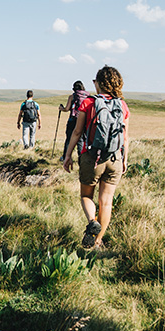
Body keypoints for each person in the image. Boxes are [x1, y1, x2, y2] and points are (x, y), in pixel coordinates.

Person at [63, 66, 130, 249]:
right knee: (106, 201)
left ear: (99, 83)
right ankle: (97, 241)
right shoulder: (122, 105)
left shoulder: (89, 103)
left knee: (86, 195)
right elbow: (125, 137)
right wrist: (124, 160)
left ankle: (92, 221)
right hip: (115, 158)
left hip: (92, 157)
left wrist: (68, 155)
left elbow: (77, 132)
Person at [59, 80, 90, 161]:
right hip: (84, 121)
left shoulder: (72, 96)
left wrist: (61, 108)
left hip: (73, 120)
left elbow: (67, 108)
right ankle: (81, 158)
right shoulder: (88, 96)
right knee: (81, 140)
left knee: (69, 139)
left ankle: (65, 157)